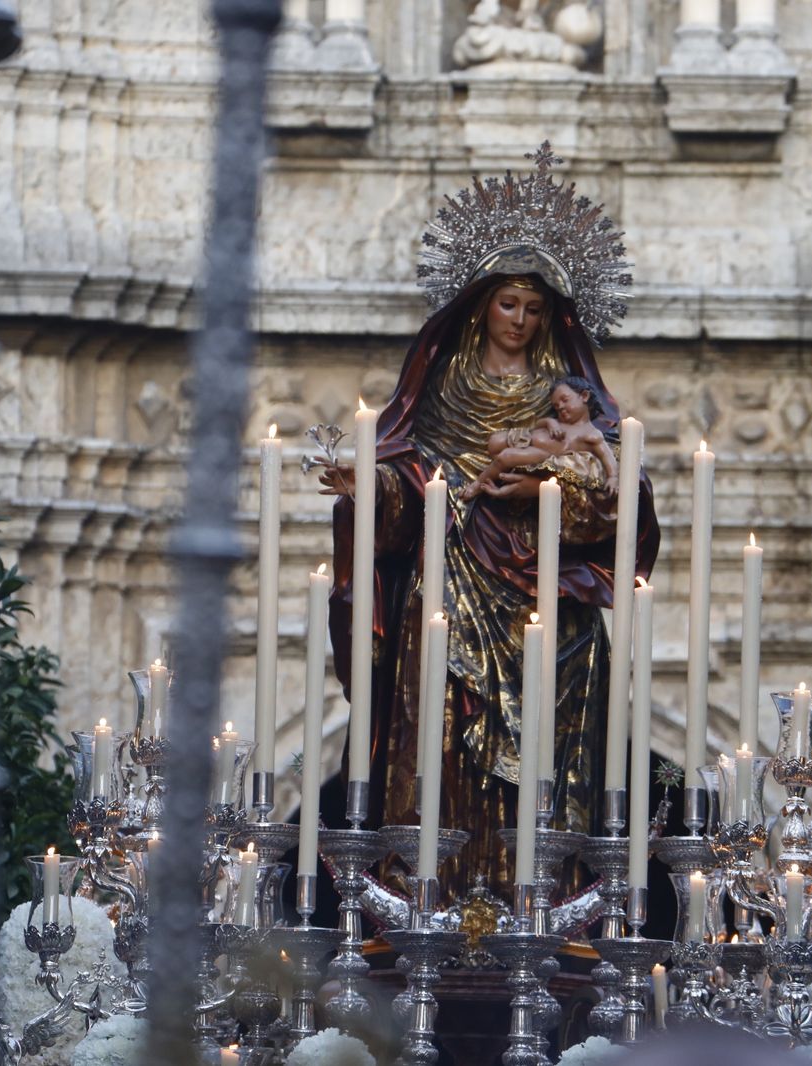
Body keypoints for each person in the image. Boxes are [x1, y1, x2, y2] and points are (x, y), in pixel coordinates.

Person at [316, 145, 658, 897]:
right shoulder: (441, 390)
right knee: (440, 730)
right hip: (447, 587)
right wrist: (368, 488)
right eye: (509, 303)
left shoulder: (570, 397)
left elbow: (615, 494)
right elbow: (411, 477)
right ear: (479, 304)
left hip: (547, 592)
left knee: (550, 735)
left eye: (535, 309)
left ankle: (545, 894)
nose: (521, 320)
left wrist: (564, 497)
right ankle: (428, 890)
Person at [461, 375, 619, 501]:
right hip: (526, 438)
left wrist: (612, 477)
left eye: (565, 400)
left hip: (542, 454)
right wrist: (550, 423)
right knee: (495, 441)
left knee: (506, 457)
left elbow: (607, 455)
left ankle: (476, 485)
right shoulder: (559, 421)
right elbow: (539, 423)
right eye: (556, 406)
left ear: (584, 396)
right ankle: (499, 470)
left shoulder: (591, 434)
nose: (561, 407)